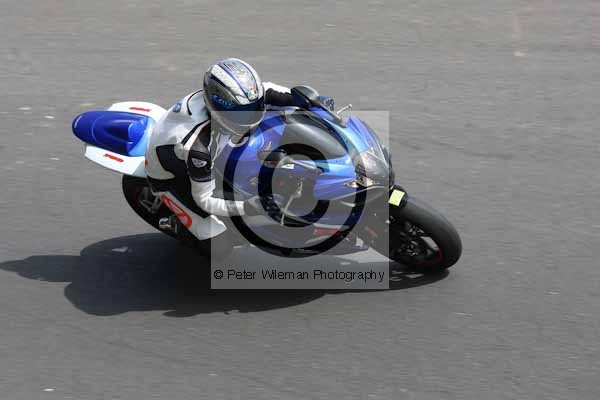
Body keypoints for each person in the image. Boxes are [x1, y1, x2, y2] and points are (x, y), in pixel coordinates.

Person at [144, 58, 300, 255]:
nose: (251, 116)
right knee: (219, 245)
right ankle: (176, 224)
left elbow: (268, 91)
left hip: (194, 147)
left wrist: (307, 100)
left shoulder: (238, 102)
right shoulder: (199, 148)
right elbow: (204, 199)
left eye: (253, 107)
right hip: (169, 177)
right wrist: (249, 207)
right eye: (242, 113)